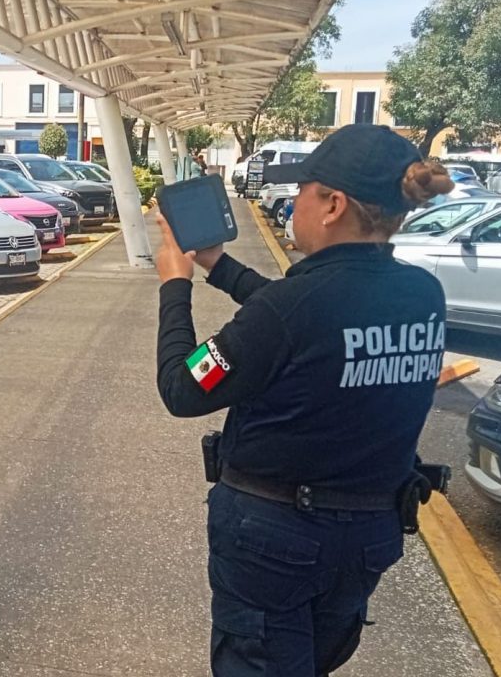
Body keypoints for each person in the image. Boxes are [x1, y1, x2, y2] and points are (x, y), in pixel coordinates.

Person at [154, 124, 454, 676]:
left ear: (333, 205)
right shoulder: (422, 294)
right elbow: (310, 314)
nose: (293, 204)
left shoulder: (292, 307)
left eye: (302, 192)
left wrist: (175, 284)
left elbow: (182, 387)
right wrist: (219, 266)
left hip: (274, 545)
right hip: (368, 537)